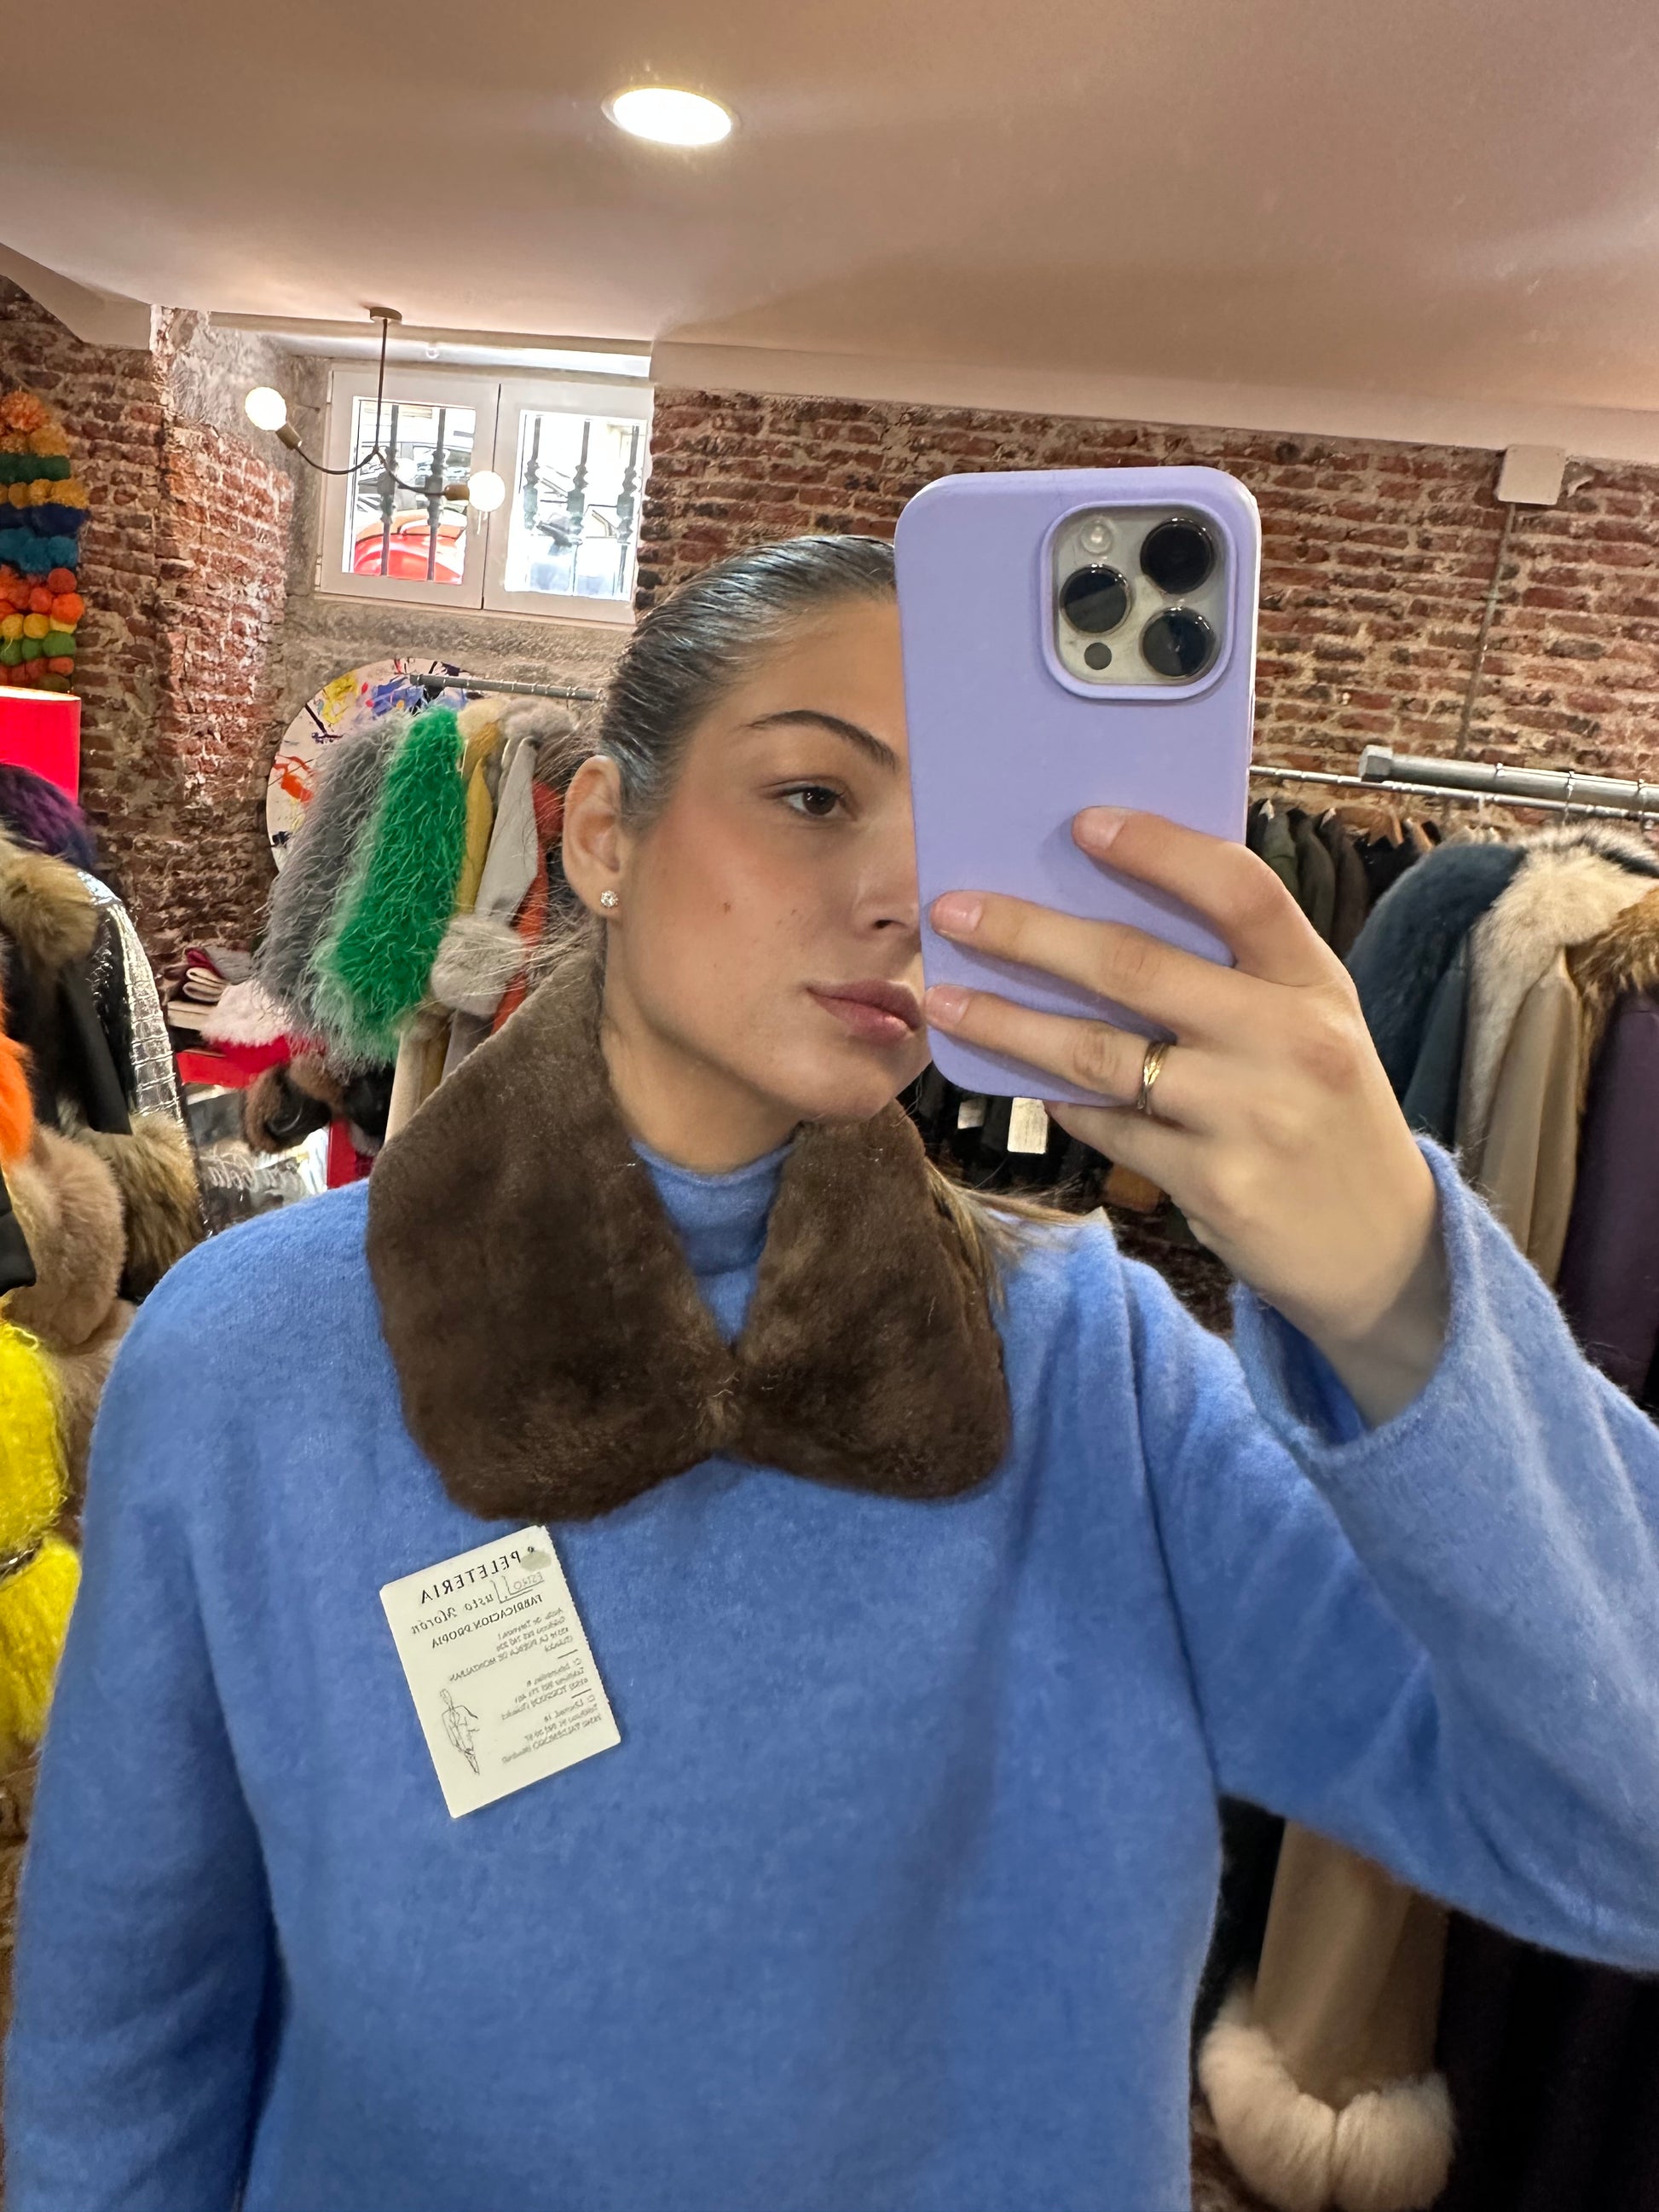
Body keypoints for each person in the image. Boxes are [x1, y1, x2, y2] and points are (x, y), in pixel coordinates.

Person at [8, 535, 1659, 2212]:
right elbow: (120, 2054)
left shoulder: (1097, 1373)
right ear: (604, 833)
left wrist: (1393, 1290)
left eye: (968, 825)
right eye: (814, 795)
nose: (903, 891)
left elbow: (1624, 1835)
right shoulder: (253, 1362)